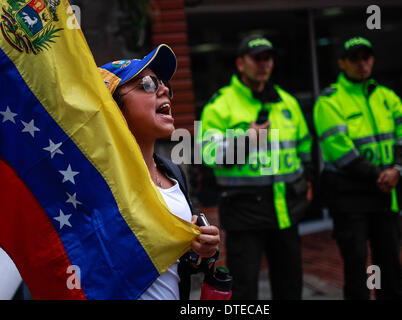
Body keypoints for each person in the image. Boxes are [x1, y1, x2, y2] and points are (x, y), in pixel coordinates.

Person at [98, 44, 220, 300]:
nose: (165, 89)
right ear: (113, 108)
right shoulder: (97, 179)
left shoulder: (173, 171)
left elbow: (174, 265)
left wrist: (200, 251)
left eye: (164, 85)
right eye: (148, 84)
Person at [198, 35, 313, 300]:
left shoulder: (287, 102)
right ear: (240, 63)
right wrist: (247, 141)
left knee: (290, 286)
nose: (264, 64)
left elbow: (304, 146)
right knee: (243, 291)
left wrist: (307, 182)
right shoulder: (220, 105)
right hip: (245, 214)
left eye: (268, 58)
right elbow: (208, 154)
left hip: (286, 212)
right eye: (257, 58)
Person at [313, 36, 402, 300]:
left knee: (389, 263)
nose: (362, 64)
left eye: (366, 58)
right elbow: (338, 147)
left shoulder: (386, 96)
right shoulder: (329, 100)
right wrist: (379, 174)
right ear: (342, 63)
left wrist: (398, 167)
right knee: (357, 267)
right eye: (355, 59)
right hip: (351, 198)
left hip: (385, 194)